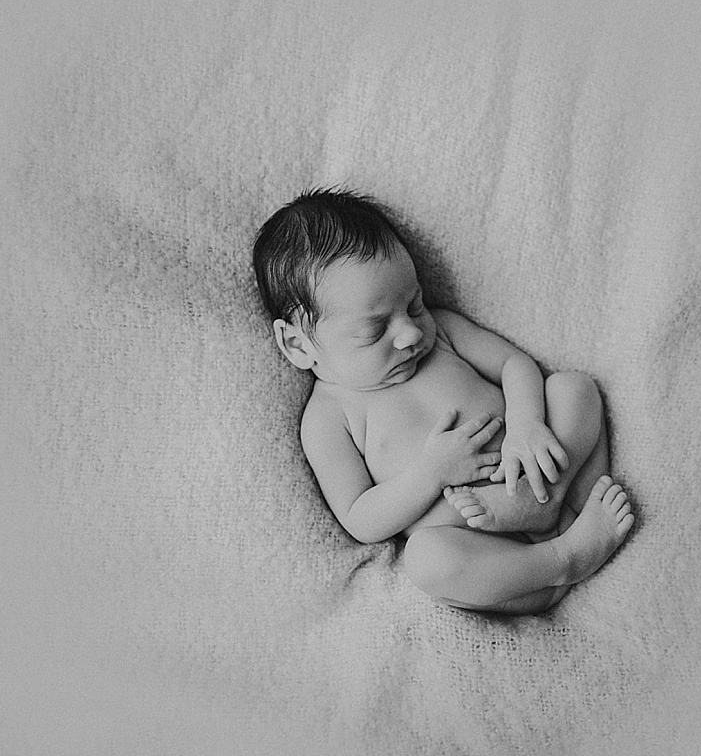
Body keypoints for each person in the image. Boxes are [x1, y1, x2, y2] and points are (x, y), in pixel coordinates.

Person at [253, 188, 634, 614]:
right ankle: (563, 560)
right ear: (298, 344)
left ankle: (551, 501)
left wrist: (526, 425)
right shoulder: (327, 418)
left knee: (573, 389)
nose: (411, 332)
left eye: (414, 305)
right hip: (488, 549)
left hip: (545, 471)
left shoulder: (443, 333)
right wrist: (430, 474)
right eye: (374, 331)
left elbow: (514, 364)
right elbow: (360, 517)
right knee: (427, 560)